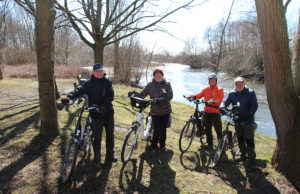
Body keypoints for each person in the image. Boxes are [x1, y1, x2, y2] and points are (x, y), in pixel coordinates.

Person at [61, 63, 117, 169]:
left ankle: (110, 155)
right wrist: (69, 97)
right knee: (97, 138)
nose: (99, 73)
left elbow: (111, 95)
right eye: (97, 71)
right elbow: (79, 90)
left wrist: (104, 106)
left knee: (110, 135)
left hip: (108, 113)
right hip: (96, 114)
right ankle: (97, 160)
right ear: (93, 72)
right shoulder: (89, 83)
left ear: (104, 72)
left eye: (101, 71)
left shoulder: (107, 82)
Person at [221, 76, 258, 168]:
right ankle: (243, 156)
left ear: (244, 84)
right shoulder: (232, 93)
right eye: (236, 84)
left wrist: (249, 114)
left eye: (240, 83)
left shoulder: (250, 93)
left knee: (249, 141)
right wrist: (222, 107)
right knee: (240, 139)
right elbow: (225, 102)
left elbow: (254, 105)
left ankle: (252, 160)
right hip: (237, 119)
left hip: (248, 121)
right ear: (234, 85)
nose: (238, 85)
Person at [137, 69, 173, 155]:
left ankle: (162, 146)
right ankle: (154, 147)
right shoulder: (150, 85)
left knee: (163, 130)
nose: (158, 76)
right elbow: (143, 94)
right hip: (155, 112)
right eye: (156, 75)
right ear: (153, 76)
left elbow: (170, 96)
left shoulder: (167, 84)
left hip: (165, 111)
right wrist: (135, 95)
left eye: (159, 74)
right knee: (157, 129)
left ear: (162, 75)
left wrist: (162, 99)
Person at [186, 73, 224, 149]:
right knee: (208, 129)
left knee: (218, 129)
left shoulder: (220, 89)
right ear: (209, 81)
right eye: (210, 80)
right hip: (207, 112)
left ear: (216, 81)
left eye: (213, 80)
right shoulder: (206, 89)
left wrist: (213, 100)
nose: (212, 81)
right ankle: (210, 144)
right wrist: (191, 96)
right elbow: (199, 95)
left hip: (215, 112)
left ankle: (221, 145)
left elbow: (220, 98)